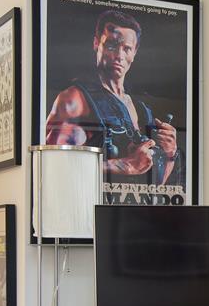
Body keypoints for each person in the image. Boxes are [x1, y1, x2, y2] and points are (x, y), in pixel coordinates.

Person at [42, 9, 179, 185]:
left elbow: (155, 185)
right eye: (112, 45)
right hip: (92, 203)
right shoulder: (75, 100)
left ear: (134, 53)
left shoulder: (142, 110)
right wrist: (126, 165)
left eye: (127, 49)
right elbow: (53, 166)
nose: (119, 56)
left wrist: (169, 153)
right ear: (96, 43)